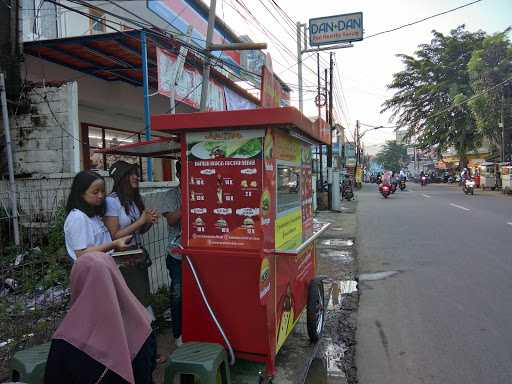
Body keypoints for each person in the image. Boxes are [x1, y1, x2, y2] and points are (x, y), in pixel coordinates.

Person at [44, 252, 156, 384]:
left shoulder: (66, 342)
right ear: (116, 277)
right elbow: (149, 369)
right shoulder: (143, 325)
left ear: (77, 282)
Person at [64, 171, 131, 261]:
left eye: (103, 191)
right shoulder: (77, 217)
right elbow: (81, 254)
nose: (101, 196)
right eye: (95, 192)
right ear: (81, 193)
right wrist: (114, 244)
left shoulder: (94, 215)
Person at [104, 161, 158, 247]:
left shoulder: (132, 200)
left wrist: (149, 220)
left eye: (136, 174)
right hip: (122, 255)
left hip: (137, 251)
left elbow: (139, 231)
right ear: (121, 178)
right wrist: (141, 221)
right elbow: (113, 237)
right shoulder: (111, 201)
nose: (136, 177)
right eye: (131, 175)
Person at [162, 160, 183, 346]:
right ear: (178, 175)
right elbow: (171, 219)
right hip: (177, 255)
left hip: (198, 255)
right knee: (178, 294)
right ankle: (178, 334)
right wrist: (194, 200)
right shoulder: (171, 194)